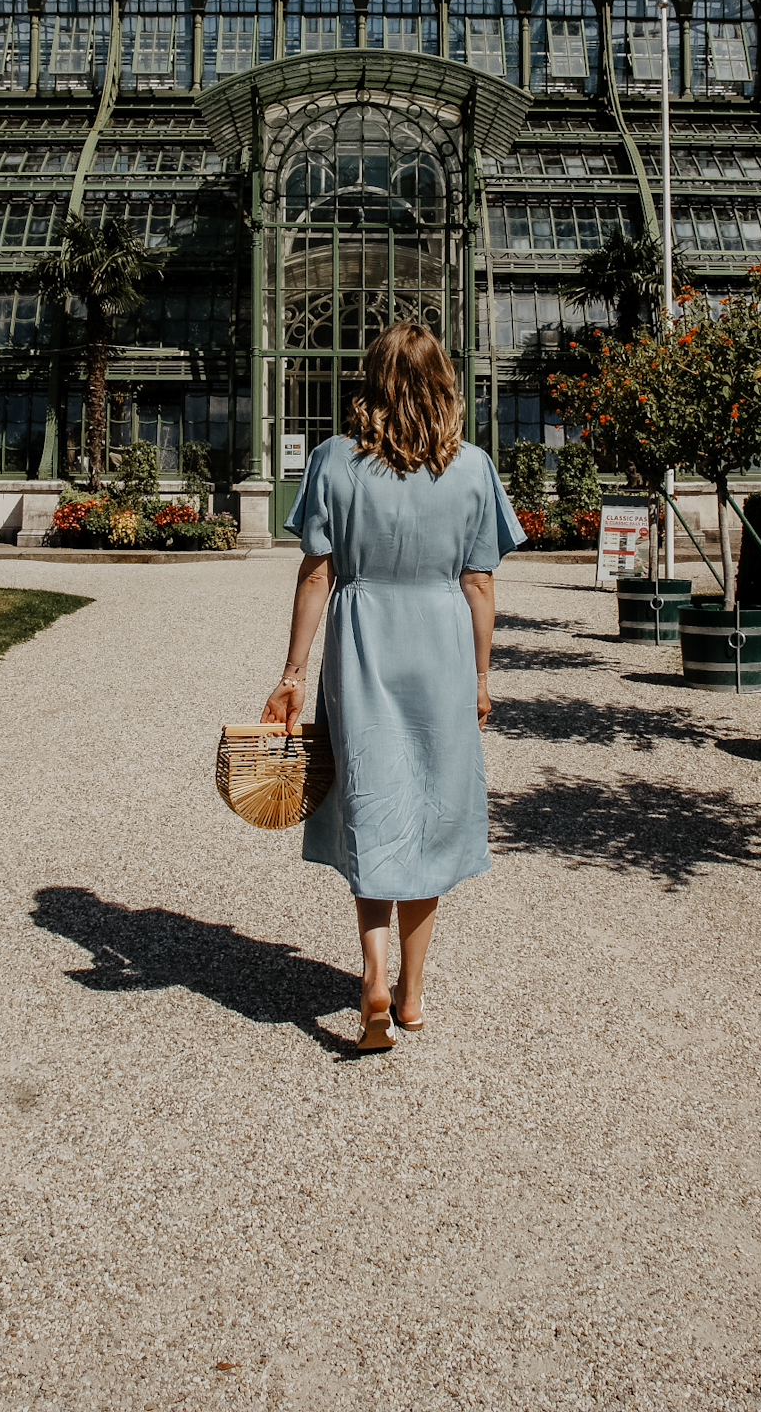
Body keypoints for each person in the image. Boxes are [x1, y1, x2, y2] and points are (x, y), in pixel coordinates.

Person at [260, 323, 525, 1051]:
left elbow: (315, 571)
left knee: (371, 799)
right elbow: (478, 582)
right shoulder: (472, 468)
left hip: (362, 637)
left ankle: (371, 975)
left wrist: (290, 674)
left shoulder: (331, 461)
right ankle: (411, 993)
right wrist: (480, 677)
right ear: (444, 381)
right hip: (439, 638)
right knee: (434, 811)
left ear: (369, 381)